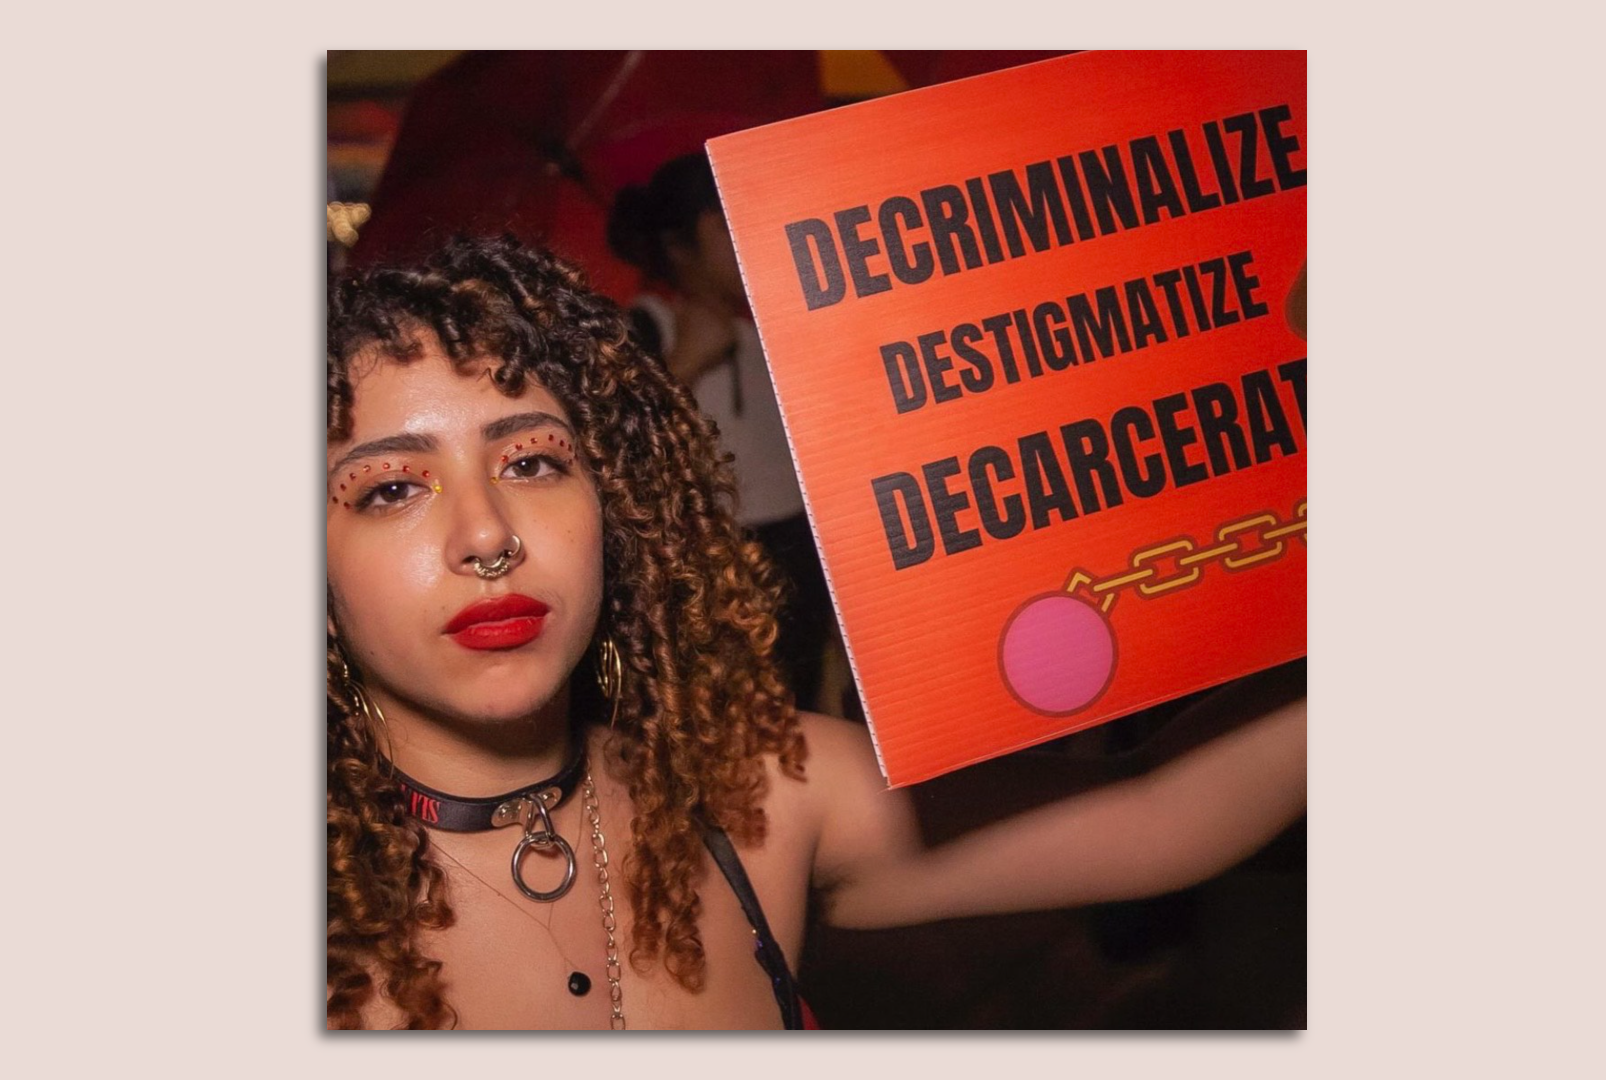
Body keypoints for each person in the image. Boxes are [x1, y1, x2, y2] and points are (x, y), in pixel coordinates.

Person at [326, 234, 1307, 1030]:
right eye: (393, 488)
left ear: (610, 504)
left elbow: (1159, 809)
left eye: (533, 463)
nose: (488, 533)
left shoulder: (750, 792)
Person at [605, 152, 836, 712]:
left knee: (799, 711)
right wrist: (686, 361)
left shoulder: (764, 332)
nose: (744, 241)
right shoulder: (639, 329)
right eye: (724, 228)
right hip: (710, 562)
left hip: (794, 552)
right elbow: (615, 452)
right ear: (678, 246)